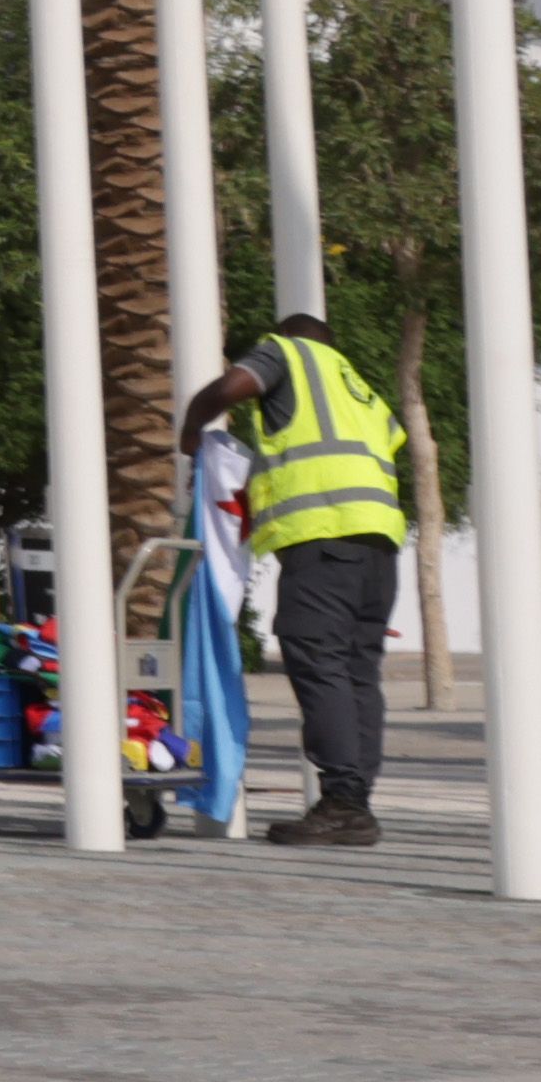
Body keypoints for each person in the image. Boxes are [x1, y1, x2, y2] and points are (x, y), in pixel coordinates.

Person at [188, 312, 413, 846]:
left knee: (320, 663)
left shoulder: (288, 352)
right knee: (358, 672)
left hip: (324, 538)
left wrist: (191, 429)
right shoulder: (363, 394)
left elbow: (228, 389)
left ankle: (342, 801)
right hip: (379, 547)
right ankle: (354, 804)